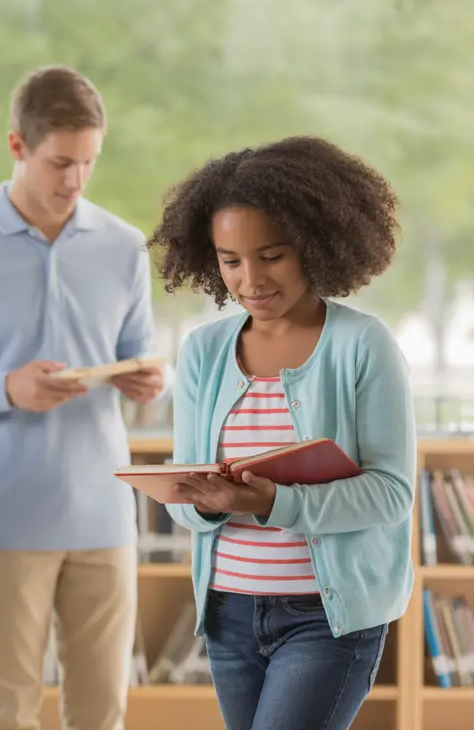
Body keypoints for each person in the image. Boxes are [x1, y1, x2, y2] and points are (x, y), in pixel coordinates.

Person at [0, 65, 165, 730]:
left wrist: (146, 380)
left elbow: (139, 353)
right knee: (8, 707)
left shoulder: (125, 247)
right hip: (7, 518)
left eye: (88, 163)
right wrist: (6, 388)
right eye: (59, 162)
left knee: (102, 710)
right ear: (17, 147)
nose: (74, 181)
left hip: (105, 514)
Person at [147, 136, 415, 730]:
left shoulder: (362, 345)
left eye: (271, 255)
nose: (250, 280)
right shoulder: (203, 351)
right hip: (228, 614)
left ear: (316, 246)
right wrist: (204, 502)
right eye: (230, 260)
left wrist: (269, 501)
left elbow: (392, 494)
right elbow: (188, 507)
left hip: (328, 619)